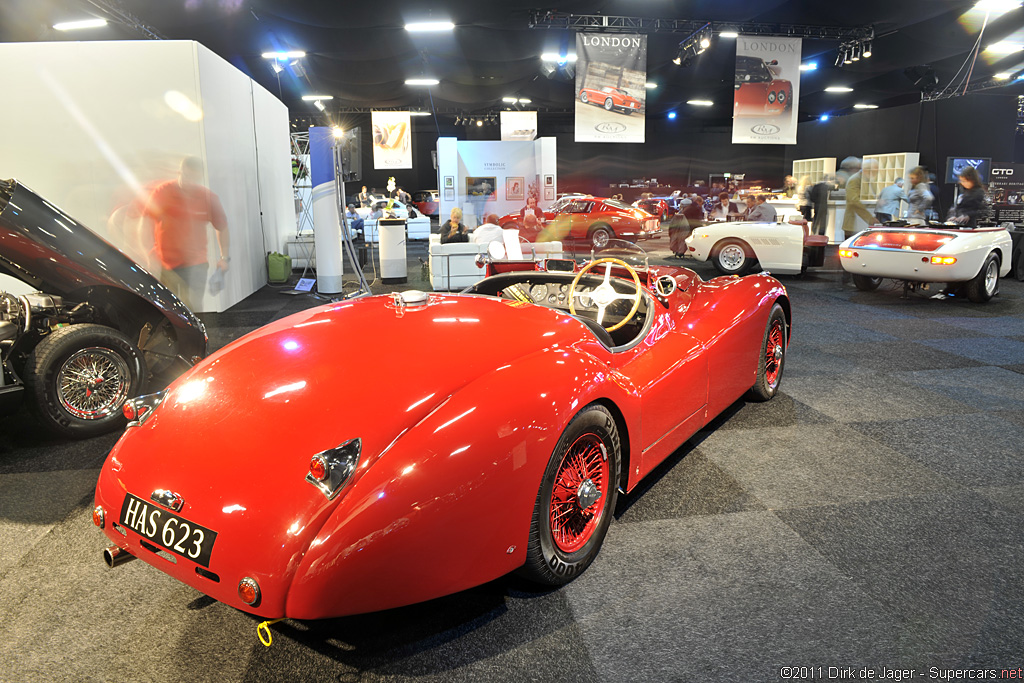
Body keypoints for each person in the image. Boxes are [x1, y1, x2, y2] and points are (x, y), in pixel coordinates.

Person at [142, 156, 229, 311]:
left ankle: (195, 334)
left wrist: (224, 258)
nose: (189, 181)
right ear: (179, 172)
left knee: (193, 306)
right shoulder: (163, 192)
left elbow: (222, 227)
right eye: (186, 176)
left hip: (196, 263)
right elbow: (146, 221)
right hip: (167, 263)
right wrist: (148, 252)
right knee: (168, 308)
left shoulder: (208, 198)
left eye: (193, 178)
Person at [839, 157, 876, 240]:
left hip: (861, 223)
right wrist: (870, 218)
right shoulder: (855, 180)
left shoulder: (865, 179)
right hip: (854, 224)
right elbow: (853, 201)